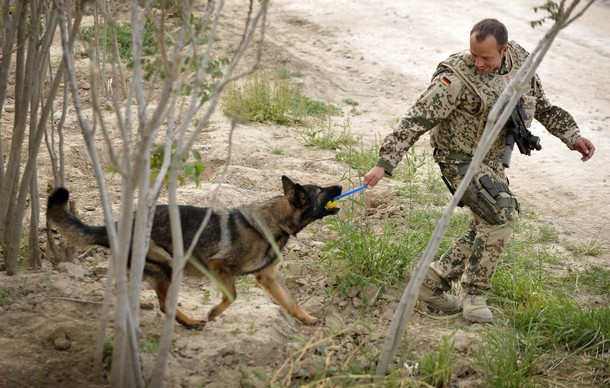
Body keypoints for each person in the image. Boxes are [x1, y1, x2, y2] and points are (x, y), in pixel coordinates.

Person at [363, 18, 596, 323]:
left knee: (487, 222)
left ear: (504, 50)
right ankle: (473, 295)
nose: (479, 63)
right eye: (474, 55)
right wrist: (384, 163)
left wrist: (572, 135)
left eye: (486, 57)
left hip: (491, 159)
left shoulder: (521, 65)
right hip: (458, 158)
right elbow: (417, 119)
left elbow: (543, 106)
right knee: (502, 214)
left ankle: (432, 282)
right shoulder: (456, 77)